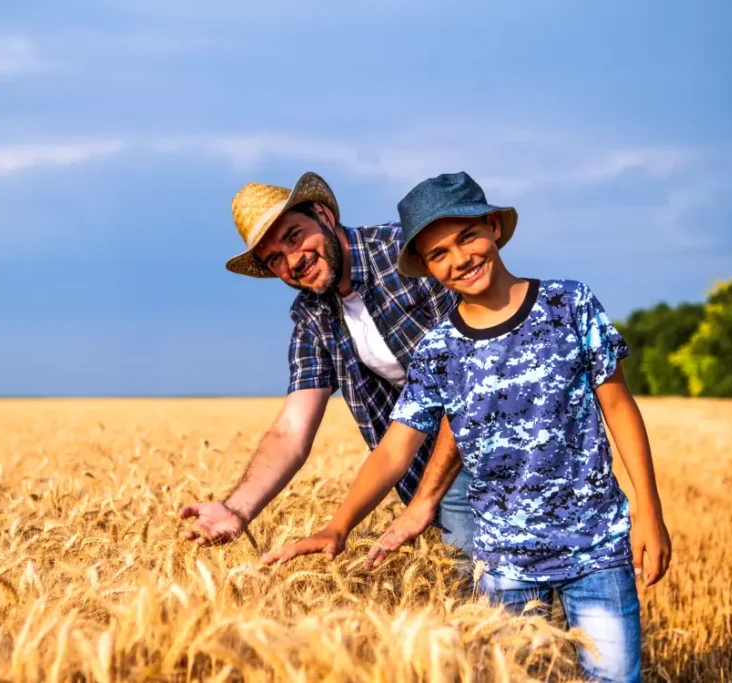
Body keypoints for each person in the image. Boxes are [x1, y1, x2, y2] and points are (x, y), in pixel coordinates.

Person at [262, 172, 672, 683]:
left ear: (494, 227)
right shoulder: (438, 351)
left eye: (467, 237)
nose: (459, 259)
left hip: (597, 550)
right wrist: (337, 527)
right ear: (427, 269)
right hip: (504, 567)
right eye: (438, 254)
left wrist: (649, 514)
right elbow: (394, 449)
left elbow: (619, 409)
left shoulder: (570, 304)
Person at [178, 171, 476, 564]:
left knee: (507, 593)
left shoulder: (406, 252)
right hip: (421, 466)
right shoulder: (312, 314)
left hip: (491, 440)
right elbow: (291, 430)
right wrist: (238, 509)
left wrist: (431, 495)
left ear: (324, 215)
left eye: (293, 236)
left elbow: (479, 363)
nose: (293, 261)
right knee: (482, 594)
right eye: (274, 259)